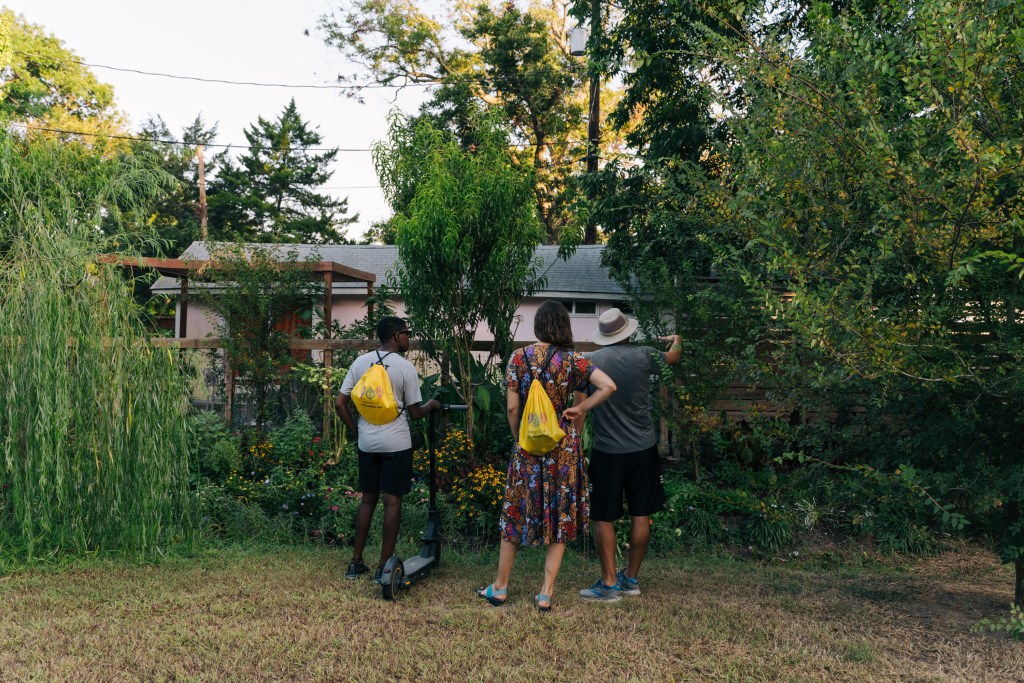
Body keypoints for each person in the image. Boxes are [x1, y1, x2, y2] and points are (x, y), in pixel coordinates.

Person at [477, 300, 616, 612]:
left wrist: (519, 438)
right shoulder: (573, 361)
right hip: (563, 448)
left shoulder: (517, 357)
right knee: (561, 516)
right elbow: (608, 386)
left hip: (528, 448)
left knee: (515, 511)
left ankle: (500, 587)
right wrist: (580, 409)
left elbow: (513, 408)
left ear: (538, 325)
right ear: (563, 326)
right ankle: (545, 593)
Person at [576, 307, 682, 602]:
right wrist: (677, 339)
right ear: (627, 332)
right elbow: (673, 358)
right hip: (644, 450)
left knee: (603, 516)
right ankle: (631, 579)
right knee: (641, 514)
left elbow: (581, 410)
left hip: (607, 452)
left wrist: (575, 448)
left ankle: (609, 584)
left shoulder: (590, 362)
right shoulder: (645, 355)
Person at [335, 316, 440, 581]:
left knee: (368, 500)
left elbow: (340, 403)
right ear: (396, 336)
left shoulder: (360, 362)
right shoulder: (404, 368)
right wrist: (432, 405)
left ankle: (355, 562)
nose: (409, 337)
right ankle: (384, 566)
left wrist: (356, 430)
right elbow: (415, 413)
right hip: (396, 443)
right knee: (392, 502)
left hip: (367, 443)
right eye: (407, 333)